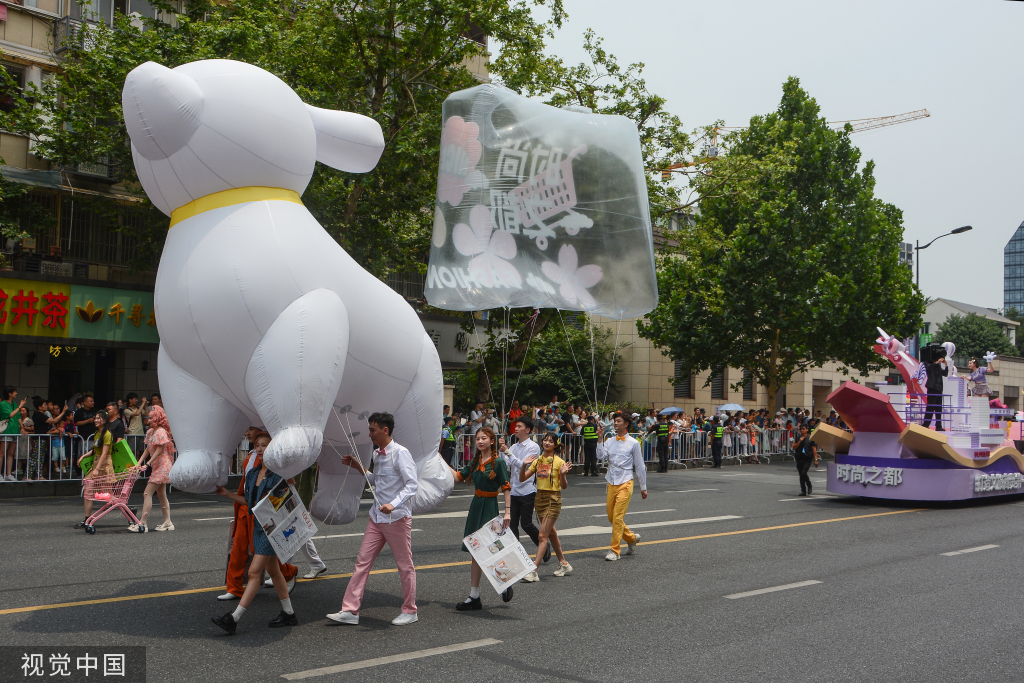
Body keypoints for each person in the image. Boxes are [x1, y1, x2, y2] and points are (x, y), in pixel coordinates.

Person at [327, 412, 419, 626]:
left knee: (404, 565)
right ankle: (350, 610)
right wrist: (358, 466)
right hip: (376, 518)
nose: (369, 434)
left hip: (396, 518)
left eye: (372, 430)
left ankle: (410, 610)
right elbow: (376, 480)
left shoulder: (400, 453)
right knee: (362, 562)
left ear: (385, 430)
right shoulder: (378, 454)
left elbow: (412, 485)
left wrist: (393, 504)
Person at [212, 432, 298, 634]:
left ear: (273, 448)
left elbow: (284, 504)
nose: (260, 449)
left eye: (265, 445)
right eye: (258, 445)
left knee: (253, 572)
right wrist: (227, 494)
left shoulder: (279, 475)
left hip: (272, 529)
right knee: (275, 571)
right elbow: (249, 504)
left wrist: (287, 487)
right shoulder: (251, 475)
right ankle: (288, 613)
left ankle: (234, 618)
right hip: (258, 528)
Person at [443, 427, 514, 610]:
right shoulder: (475, 462)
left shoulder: (498, 462)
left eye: (484, 438)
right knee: (476, 551)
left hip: (490, 506)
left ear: (492, 441)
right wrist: (439, 459)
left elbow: (506, 487)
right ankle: (474, 596)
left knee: (492, 549)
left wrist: (507, 512)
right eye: (478, 439)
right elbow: (458, 477)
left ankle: (505, 582)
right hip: (476, 506)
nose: (480, 441)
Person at [498, 417, 547, 582]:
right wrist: (502, 449)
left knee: (526, 523)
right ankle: (518, 559)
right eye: (516, 426)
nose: (516, 428)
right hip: (513, 490)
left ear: (528, 429)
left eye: (519, 426)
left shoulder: (533, 447)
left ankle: (543, 546)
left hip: (527, 490)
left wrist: (508, 453)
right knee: (512, 526)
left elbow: (523, 466)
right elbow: (506, 464)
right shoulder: (514, 446)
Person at [520, 433, 573, 579]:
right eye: (545, 440)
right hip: (539, 499)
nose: (547, 443)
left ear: (556, 444)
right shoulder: (537, 461)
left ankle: (534, 571)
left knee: (542, 535)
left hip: (553, 499)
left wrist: (562, 474)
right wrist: (523, 465)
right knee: (551, 533)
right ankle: (563, 563)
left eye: (551, 441)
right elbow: (523, 478)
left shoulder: (559, 462)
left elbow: (564, 486)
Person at [602, 412, 648, 561]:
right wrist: (598, 439)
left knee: (617, 517)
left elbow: (640, 466)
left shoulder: (634, 443)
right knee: (611, 516)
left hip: (626, 481)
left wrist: (643, 486)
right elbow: (600, 456)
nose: (615, 423)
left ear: (626, 424)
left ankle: (615, 551)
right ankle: (631, 538)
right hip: (611, 481)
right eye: (615, 421)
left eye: (618, 421)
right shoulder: (609, 441)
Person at [131, 406, 175, 533]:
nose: (148, 420)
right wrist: (139, 463)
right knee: (161, 494)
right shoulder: (151, 432)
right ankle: (168, 522)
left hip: (162, 466)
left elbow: (159, 450)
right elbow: (147, 449)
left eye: (151, 417)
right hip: (157, 466)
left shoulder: (160, 432)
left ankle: (142, 523)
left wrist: (148, 464)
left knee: (147, 493)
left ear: (157, 418)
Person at [75, 412, 115, 528]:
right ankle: (87, 519)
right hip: (97, 463)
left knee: (109, 496)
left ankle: (128, 511)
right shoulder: (97, 433)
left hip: (105, 465)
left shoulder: (107, 434)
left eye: (99, 418)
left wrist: (97, 469)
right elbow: (95, 451)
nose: (96, 420)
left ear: (105, 420)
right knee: (88, 489)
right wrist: (83, 456)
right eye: (95, 418)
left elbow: (104, 453)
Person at [0, 387, 26, 481]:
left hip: (15, 431)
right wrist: (20, 406)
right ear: (9, 393)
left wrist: (22, 427)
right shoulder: (3, 404)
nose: (16, 393)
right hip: (6, 431)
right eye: (14, 392)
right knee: (2, 453)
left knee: (11, 453)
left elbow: (18, 416)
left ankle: (8, 474)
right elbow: (10, 415)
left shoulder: (14, 404)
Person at [921, 349, 949, 430]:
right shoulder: (927, 362)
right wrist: (936, 362)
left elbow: (945, 374)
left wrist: (946, 365)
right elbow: (929, 368)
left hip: (939, 388)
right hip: (932, 387)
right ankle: (926, 425)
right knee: (930, 407)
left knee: (939, 408)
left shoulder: (938, 365)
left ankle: (939, 426)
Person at [792, 423, 819, 496]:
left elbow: (814, 449)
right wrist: (800, 441)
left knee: (803, 472)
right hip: (799, 458)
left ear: (807, 429)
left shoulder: (811, 438)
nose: (802, 430)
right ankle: (803, 490)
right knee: (801, 474)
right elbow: (794, 447)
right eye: (801, 429)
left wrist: (816, 460)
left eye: (803, 428)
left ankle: (809, 484)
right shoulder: (798, 438)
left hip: (807, 458)